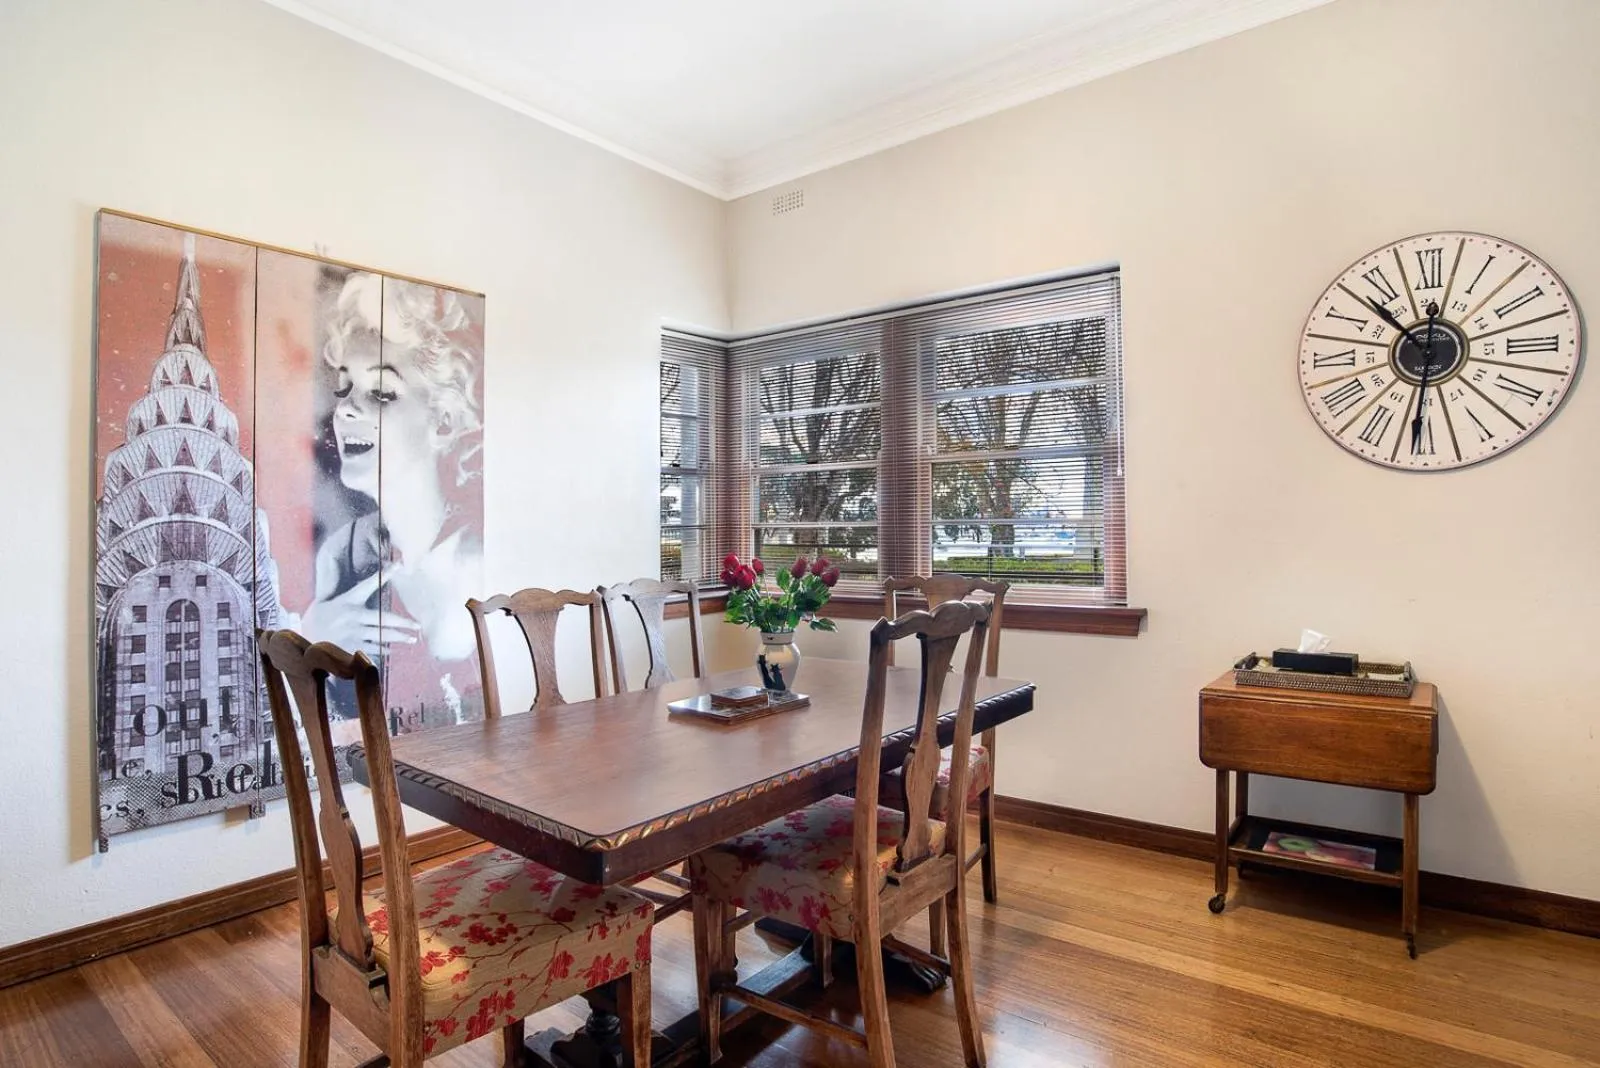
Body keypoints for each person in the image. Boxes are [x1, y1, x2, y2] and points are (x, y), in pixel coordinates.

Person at [295, 272, 484, 728]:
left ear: (441, 422)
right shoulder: (340, 555)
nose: (345, 410)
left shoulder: (476, 558)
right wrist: (312, 642)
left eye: (380, 392)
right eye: (343, 389)